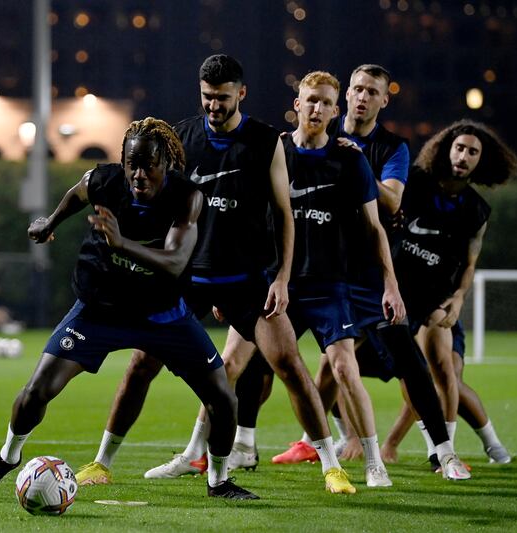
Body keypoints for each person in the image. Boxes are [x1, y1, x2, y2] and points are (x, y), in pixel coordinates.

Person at [75, 55, 355, 494]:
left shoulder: (265, 141)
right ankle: (101, 461)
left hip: (246, 280)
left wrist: (281, 278)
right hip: (186, 279)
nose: (213, 105)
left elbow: (285, 213)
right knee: (141, 362)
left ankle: (331, 466)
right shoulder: (180, 138)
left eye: (222, 97)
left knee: (288, 362)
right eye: (207, 97)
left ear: (240, 94)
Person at [0, 117, 258, 500]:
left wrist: (121, 245)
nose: (138, 174)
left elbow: (174, 260)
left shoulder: (187, 197)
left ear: (165, 162)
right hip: (100, 308)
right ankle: (6, 457)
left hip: (162, 315)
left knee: (222, 399)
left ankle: (218, 482)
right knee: (37, 390)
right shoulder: (105, 180)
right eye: (131, 163)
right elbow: (77, 191)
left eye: (148, 165)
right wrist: (50, 222)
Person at [229, 65, 471, 481]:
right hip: (305, 269)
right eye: (357, 88)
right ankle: (250, 443)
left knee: (405, 359)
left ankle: (443, 452)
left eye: (371, 91)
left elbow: (392, 205)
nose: (362, 97)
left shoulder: (387, 148)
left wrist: (359, 167)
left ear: (383, 99)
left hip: (363, 275)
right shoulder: (301, 142)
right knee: (263, 358)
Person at [377, 119, 517, 469]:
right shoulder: (415, 183)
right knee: (339, 360)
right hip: (393, 299)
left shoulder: (476, 211)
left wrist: (456, 300)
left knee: (444, 373)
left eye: (473, 151)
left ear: (481, 161)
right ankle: (333, 439)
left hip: (436, 303)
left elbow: (469, 265)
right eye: (460, 148)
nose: (464, 155)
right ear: (446, 148)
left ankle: (450, 452)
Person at [381, 321, 511, 465]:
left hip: (439, 321)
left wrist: (456, 302)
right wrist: (391, 443)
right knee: (418, 381)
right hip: (404, 325)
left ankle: (491, 445)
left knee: (449, 380)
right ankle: (440, 452)